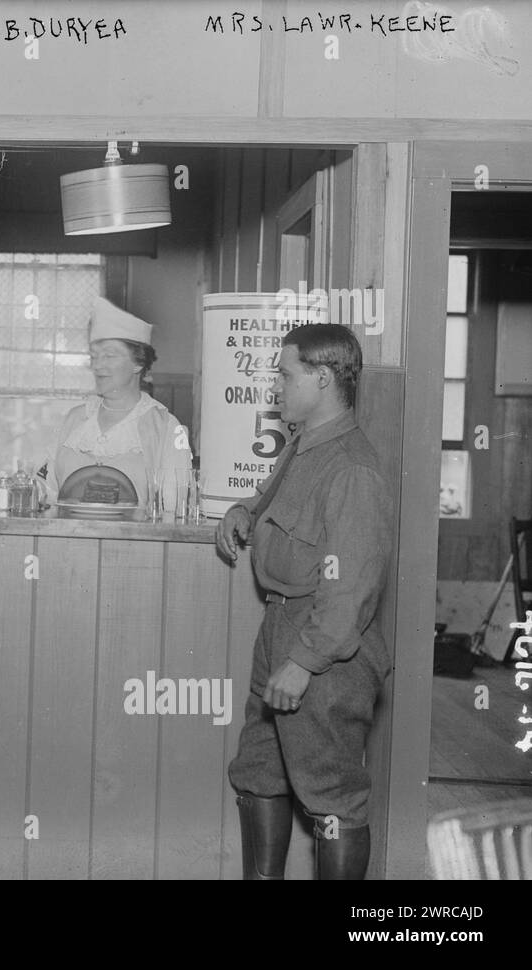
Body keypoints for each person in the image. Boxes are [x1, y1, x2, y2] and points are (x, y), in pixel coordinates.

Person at [216, 323, 392, 880]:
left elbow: (351, 591)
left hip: (324, 646)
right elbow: (272, 504)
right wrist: (241, 511)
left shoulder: (353, 468)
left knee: (332, 792)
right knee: (261, 769)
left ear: (322, 377)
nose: (277, 387)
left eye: (286, 375)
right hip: (282, 627)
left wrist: (303, 662)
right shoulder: (303, 446)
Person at [47, 297, 190, 504]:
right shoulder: (74, 419)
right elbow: (47, 489)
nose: (98, 365)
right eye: (94, 356)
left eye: (109, 356)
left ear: (138, 364)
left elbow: (174, 507)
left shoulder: (167, 427)